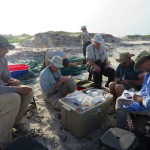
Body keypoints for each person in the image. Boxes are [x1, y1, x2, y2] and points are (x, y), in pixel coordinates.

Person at [0, 35, 33, 150]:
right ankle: (4, 140)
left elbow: (6, 78)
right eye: (5, 48)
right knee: (14, 98)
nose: (8, 51)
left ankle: (16, 123)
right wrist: (16, 89)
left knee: (28, 91)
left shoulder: (3, 59)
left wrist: (15, 82)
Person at [116, 50, 150, 129]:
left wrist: (140, 99)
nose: (141, 70)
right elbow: (145, 91)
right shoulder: (148, 74)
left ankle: (122, 128)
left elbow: (148, 103)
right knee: (124, 95)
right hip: (142, 97)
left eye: (141, 67)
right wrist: (136, 94)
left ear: (147, 61)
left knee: (119, 101)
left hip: (146, 105)